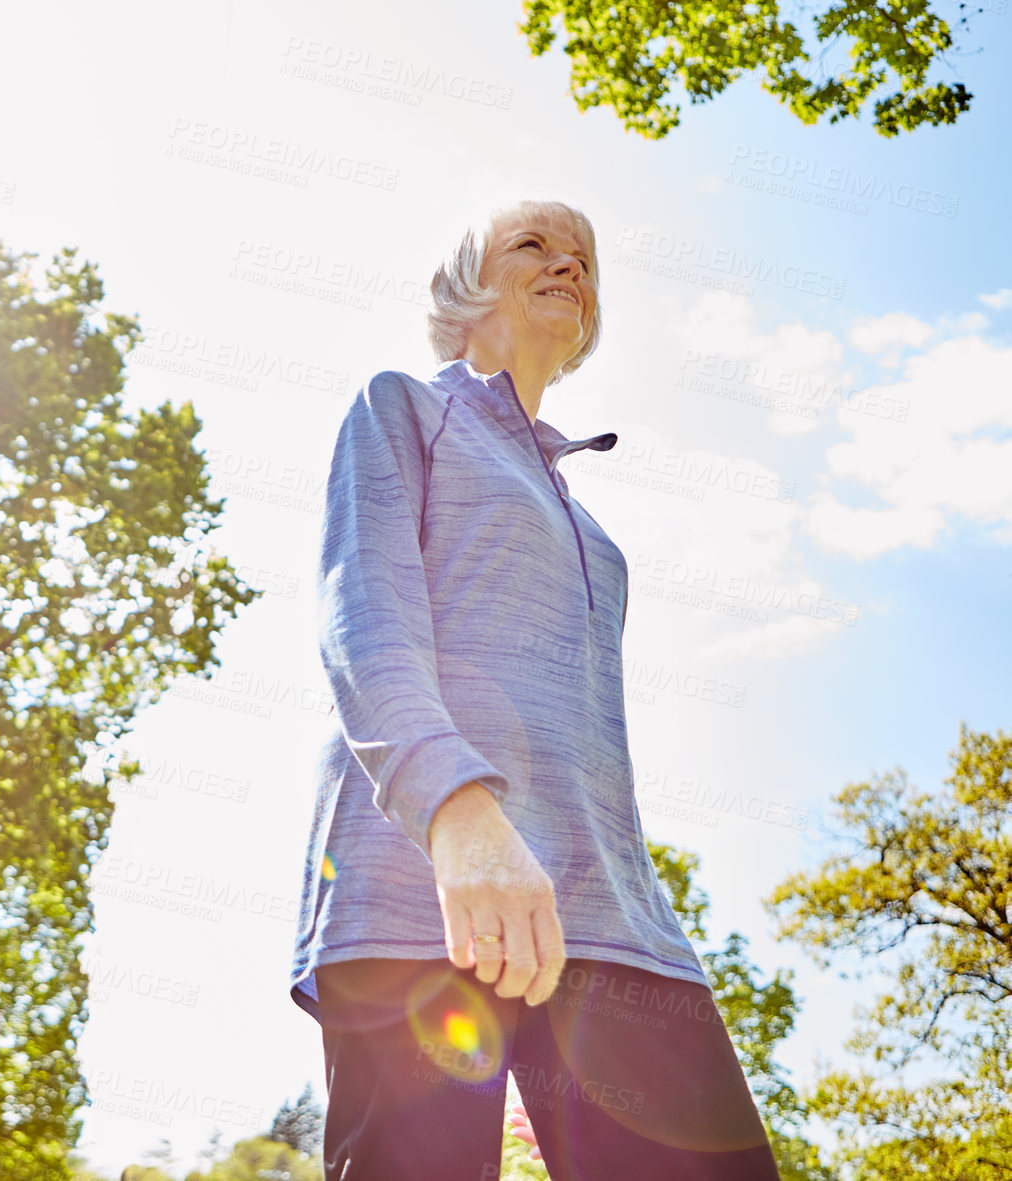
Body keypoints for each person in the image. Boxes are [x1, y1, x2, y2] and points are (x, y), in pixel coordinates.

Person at [290, 201, 780, 1179]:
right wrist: (457, 814)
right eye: (535, 246)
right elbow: (363, 622)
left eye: (585, 258)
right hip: (420, 881)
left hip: (612, 916)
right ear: (470, 283)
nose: (568, 264)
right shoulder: (403, 407)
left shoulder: (596, 530)